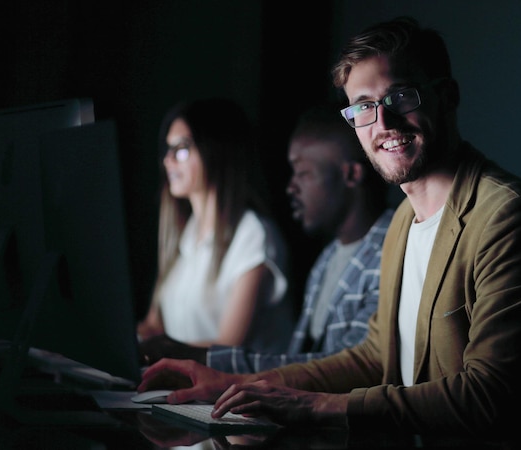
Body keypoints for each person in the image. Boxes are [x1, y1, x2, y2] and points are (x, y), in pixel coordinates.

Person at [137, 17, 521, 446]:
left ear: (448, 96)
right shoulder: (401, 222)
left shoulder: (510, 217)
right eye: (363, 107)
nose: (384, 123)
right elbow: (373, 356)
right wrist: (237, 382)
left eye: (402, 97)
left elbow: (489, 397)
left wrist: (315, 406)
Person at [138, 104, 395, 373]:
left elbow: (351, 369)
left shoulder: (254, 236)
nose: (291, 187)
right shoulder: (327, 259)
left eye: (304, 173)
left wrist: (177, 353)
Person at [137, 97, 294, 354]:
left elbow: (227, 350)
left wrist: (157, 350)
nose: (168, 161)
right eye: (168, 150)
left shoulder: (253, 235)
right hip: (180, 387)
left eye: (182, 149)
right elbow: (153, 325)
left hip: (231, 392)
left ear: (216, 150)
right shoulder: (185, 234)